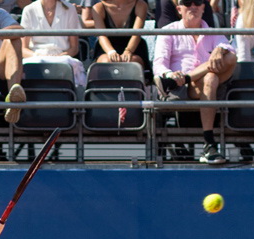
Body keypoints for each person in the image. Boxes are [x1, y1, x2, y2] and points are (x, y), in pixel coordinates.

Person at [152, 0, 237, 165]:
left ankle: (189, 77)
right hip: (180, 88)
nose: (193, 6)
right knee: (211, 76)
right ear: (179, 9)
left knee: (228, 58)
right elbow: (159, 64)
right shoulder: (168, 31)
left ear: (203, 7)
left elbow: (232, 53)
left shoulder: (213, 32)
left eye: (197, 2)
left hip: (204, 86)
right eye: (187, 2)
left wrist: (221, 49)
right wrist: (170, 74)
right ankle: (209, 143)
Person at [20, 0, 85, 86]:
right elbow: (23, 49)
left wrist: (60, 56)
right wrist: (39, 56)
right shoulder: (29, 10)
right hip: (35, 58)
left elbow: (74, 48)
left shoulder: (70, 9)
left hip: (62, 59)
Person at [90, 0, 149, 67]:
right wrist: (111, 52)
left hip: (134, 47)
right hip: (106, 48)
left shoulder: (140, 5)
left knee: (132, 63)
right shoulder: (98, 7)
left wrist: (128, 51)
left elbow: (137, 34)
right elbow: (102, 36)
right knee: (106, 62)